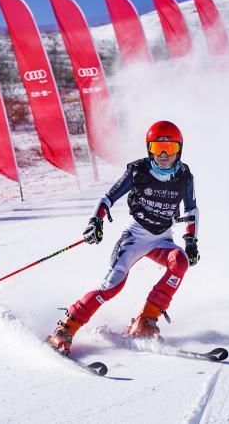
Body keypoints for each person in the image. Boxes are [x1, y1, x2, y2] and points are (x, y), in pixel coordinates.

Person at [47, 120, 200, 355]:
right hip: (135, 237)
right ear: (148, 149)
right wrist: (95, 221)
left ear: (179, 149)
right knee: (110, 287)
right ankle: (65, 328)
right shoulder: (138, 171)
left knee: (180, 263)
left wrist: (191, 242)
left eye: (169, 149)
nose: (163, 155)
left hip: (162, 240)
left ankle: (145, 320)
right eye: (157, 149)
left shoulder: (184, 176)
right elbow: (107, 198)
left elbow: (191, 211)